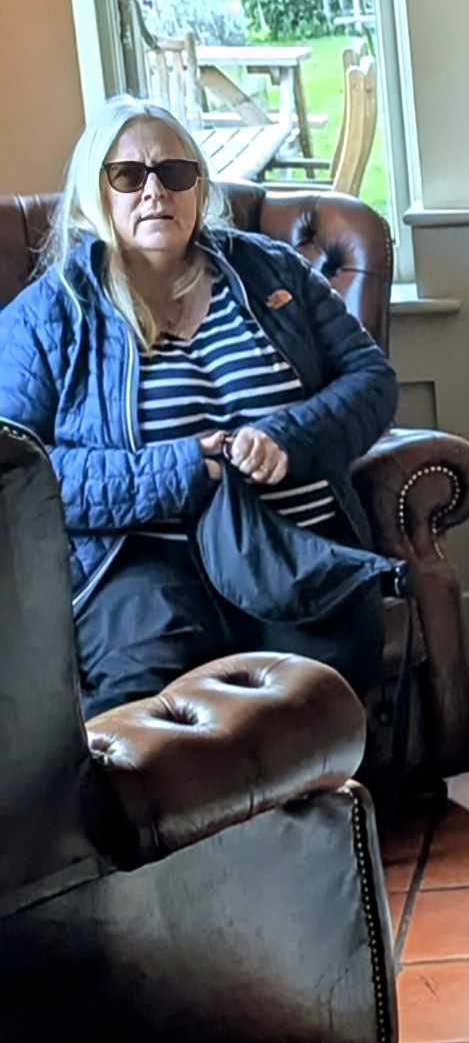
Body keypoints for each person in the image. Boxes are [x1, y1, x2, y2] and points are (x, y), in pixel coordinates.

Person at [0, 91, 398, 712]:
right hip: (138, 562)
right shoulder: (52, 312)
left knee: (322, 701)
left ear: (198, 187)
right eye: (128, 176)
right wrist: (182, 468)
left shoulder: (272, 271)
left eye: (174, 173)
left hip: (291, 544)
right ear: (96, 193)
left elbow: (372, 380)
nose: (154, 191)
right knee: (143, 703)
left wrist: (289, 438)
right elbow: (17, 469)